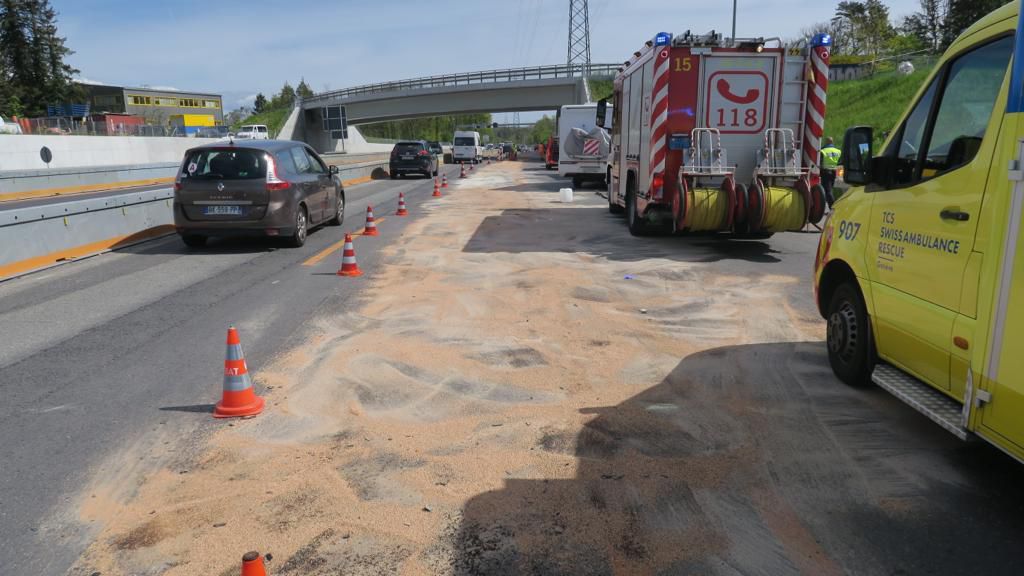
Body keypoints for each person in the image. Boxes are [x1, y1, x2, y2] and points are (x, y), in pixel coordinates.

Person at [819, 137, 842, 208]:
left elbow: (820, 162)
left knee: (827, 190)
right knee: (829, 189)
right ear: (832, 142)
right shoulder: (838, 151)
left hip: (825, 172)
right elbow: (840, 162)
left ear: (826, 142)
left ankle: (833, 207)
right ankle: (828, 206)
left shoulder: (823, 151)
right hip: (834, 172)